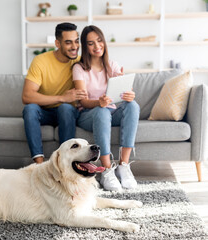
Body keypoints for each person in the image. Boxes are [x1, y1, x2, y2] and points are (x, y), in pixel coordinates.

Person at [72, 25, 140, 191]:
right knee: (102, 111)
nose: (97, 46)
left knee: (133, 105)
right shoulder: (79, 68)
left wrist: (129, 94)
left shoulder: (112, 65)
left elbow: (123, 93)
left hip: (111, 111)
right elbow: (83, 102)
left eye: (99, 41)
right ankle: (107, 170)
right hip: (89, 114)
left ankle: (124, 166)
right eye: (91, 43)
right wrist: (98, 103)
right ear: (85, 46)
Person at [22, 22, 87, 164]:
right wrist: (62, 97)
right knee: (30, 109)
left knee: (65, 108)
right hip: (45, 112)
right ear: (57, 43)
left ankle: (65, 162)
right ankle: (39, 164)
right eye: (68, 43)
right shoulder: (41, 61)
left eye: (76, 41)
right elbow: (27, 96)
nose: (75, 47)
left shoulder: (80, 61)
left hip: (67, 113)